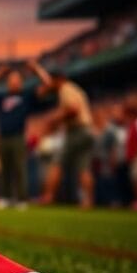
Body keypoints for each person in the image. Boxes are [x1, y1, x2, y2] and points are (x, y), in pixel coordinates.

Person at [0, 60, 52, 209]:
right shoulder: (2, 97)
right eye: (11, 79)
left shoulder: (26, 96)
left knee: (19, 168)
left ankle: (21, 199)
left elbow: (48, 85)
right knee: (4, 168)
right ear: (7, 83)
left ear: (21, 82)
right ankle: (5, 197)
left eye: (17, 79)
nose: (14, 82)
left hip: (18, 136)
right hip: (3, 137)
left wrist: (36, 69)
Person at [44, 71, 95, 208]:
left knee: (57, 162)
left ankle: (48, 197)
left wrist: (55, 119)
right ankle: (88, 201)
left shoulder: (65, 89)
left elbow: (73, 109)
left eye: (52, 81)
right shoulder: (74, 88)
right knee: (84, 168)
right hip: (87, 129)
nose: (50, 84)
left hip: (76, 131)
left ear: (58, 79)